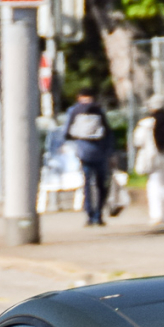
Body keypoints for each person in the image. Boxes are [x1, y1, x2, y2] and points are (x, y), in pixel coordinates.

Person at [62, 91, 114, 226]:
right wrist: (110, 151)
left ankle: (90, 215)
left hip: (83, 152)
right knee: (101, 184)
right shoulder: (99, 110)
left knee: (87, 185)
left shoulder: (74, 111)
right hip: (101, 152)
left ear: (79, 97)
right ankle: (99, 214)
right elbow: (108, 132)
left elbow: (66, 133)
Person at [132, 94, 164, 225]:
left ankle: (156, 215)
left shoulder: (146, 122)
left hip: (152, 157)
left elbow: (137, 140)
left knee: (154, 184)